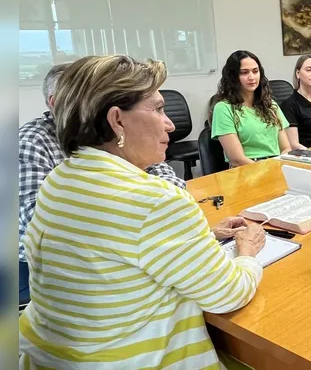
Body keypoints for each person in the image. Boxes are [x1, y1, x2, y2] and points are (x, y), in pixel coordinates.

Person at [18, 55, 266, 369]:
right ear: (117, 121)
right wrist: (247, 251)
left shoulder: (60, 178)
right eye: (158, 108)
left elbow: (111, 250)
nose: (171, 124)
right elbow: (229, 294)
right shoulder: (154, 200)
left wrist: (200, 236)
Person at [17, 63, 186, 305]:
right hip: (56, 271)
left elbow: (161, 174)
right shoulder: (31, 143)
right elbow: (42, 227)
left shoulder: (106, 137)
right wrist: (148, 210)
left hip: (120, 253)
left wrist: (164, 204)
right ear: (57, 103)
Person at [212, 50, 291, 165]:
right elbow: (237, 159)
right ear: (233, 76)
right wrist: (268, 170)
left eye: (255, 71)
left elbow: (286, 148)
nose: (251, 77)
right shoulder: (223, 108)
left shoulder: (271, 105)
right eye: (244, 72)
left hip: (275, 166)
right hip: (247, 169)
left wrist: (278, 168)